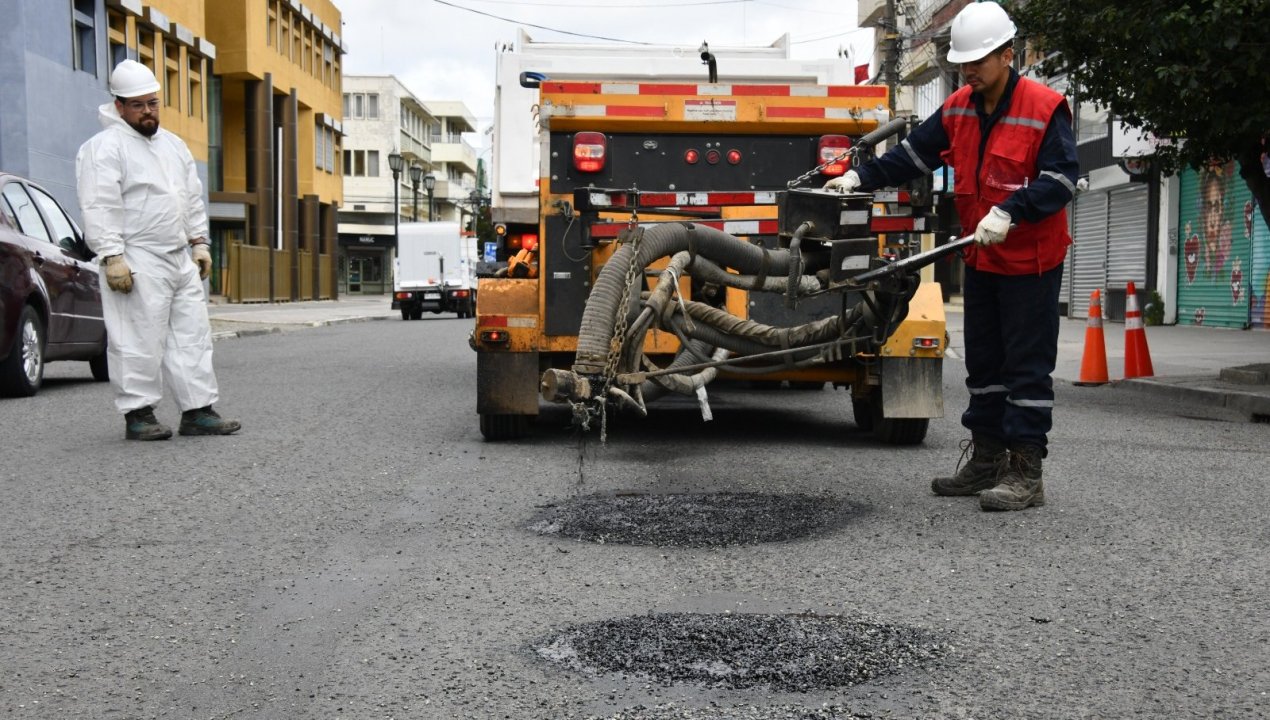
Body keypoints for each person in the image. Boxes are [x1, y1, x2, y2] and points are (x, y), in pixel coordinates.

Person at [826, 1, 1078, 511]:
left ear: (1007, 55)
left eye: (978, 61)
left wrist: (1011, 209)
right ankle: (986, 460)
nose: (968, 70)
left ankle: (1026, 471)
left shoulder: (1044, 107)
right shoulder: (961, 106)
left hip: (1031, 263)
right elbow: (911, 155)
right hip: (982, 259)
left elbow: (1061, 180)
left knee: (1026, 368)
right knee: (984, 366)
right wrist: (859, 178)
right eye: (963, 62)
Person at [76, 60, 240, 441]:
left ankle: (198, 411)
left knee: (192, 335)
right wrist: (112, 256)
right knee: (137, 338)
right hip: (135, 256)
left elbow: (190, 198)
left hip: (178, 255)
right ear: (119, 106)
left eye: (152, 102)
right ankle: (139, 414)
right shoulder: (104, 149)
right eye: (138, 105)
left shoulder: (173, 145)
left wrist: (199, 243)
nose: (148, 111)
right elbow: (99, 205)